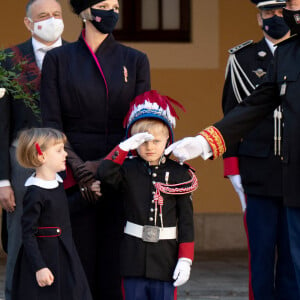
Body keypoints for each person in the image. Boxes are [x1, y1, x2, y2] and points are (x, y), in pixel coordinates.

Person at [165, 0, 300, 295]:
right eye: (278, 9)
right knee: (272, 256)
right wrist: (205, 142)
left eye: (289, 6)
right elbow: (248, 107)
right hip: (266, 169)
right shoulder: (282, 55)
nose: (285, 15)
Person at [40, 0, 151, 298]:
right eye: (103, 5)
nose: (111, 11)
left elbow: (139, 127)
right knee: (77, 263)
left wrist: (102, 167)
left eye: (115, 5)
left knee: (116, 266)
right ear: (85, 11)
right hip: (73, 174)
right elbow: (51, 122)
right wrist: (81, 170)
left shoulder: (136, 59)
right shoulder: (58, 60)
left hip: (120, 172)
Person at [221, 1, 298, 299]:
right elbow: (231, 114)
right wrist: (232, 167)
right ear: (259, 17)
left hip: (295, 168)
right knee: (261, 253)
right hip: (257, 169)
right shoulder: (242, 58)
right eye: (269, 13)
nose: (276, 18)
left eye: (281, 13)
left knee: (294, 256)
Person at [92, 90, 197, 300]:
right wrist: (122, 149)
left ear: (168, 139)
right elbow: (104, 173)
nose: (149, 147)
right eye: (142, 142)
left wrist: (185, 259)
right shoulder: (127, 169)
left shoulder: (180, 173)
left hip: (166, 258)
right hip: (133, 257)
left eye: (156, 141)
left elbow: (186, 221)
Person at [0, 1, 65, 299]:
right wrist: (2, 180)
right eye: (42, 16)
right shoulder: (8, 60)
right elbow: (1, 124)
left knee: (66, 235)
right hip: (22, 157)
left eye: (56, 15)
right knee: (19, 238)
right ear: (28, 23)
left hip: (68, 157)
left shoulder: (77, 56)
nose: (51, 21)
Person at [12, 127, 92, 300]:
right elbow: (28, 234)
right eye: (59, 150)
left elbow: (61, 209)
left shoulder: (57, 183)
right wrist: (39, 267)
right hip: (45, 259)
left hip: (65, 255)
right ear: (41, 156)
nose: (65, 154)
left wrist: (87, 193)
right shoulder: (35, 193)